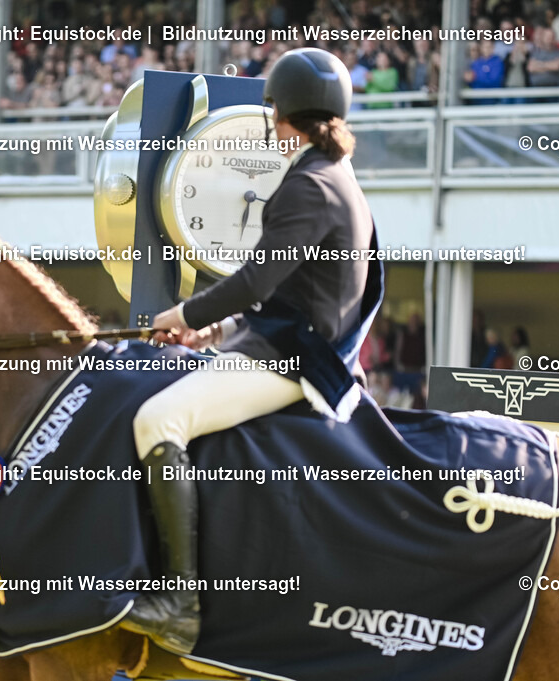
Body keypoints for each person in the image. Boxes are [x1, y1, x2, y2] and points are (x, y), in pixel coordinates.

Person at [125, 48, 375, 655]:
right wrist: (210, 334)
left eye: (272, 112)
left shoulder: (309, 184)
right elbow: (285, 297)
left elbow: (257, 281)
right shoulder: (332, 177)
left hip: (299, 362)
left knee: (157, 419)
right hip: (288, 342)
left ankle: (179, 603)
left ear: (285, 114)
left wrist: (185, 312)